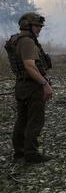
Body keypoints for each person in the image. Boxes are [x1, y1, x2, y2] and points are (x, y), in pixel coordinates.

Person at [4, 12, 53, 163]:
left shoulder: (16, 39)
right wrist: (44, 84)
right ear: (28, 26)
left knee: (23, 119)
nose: (39, 29)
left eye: (40, 26)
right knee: (35, 120)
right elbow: (30, 66)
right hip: (32, 86)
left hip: (22, 84)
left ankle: (20, 152)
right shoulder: (27, 42)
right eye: (37, 26)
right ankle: (31, 153)